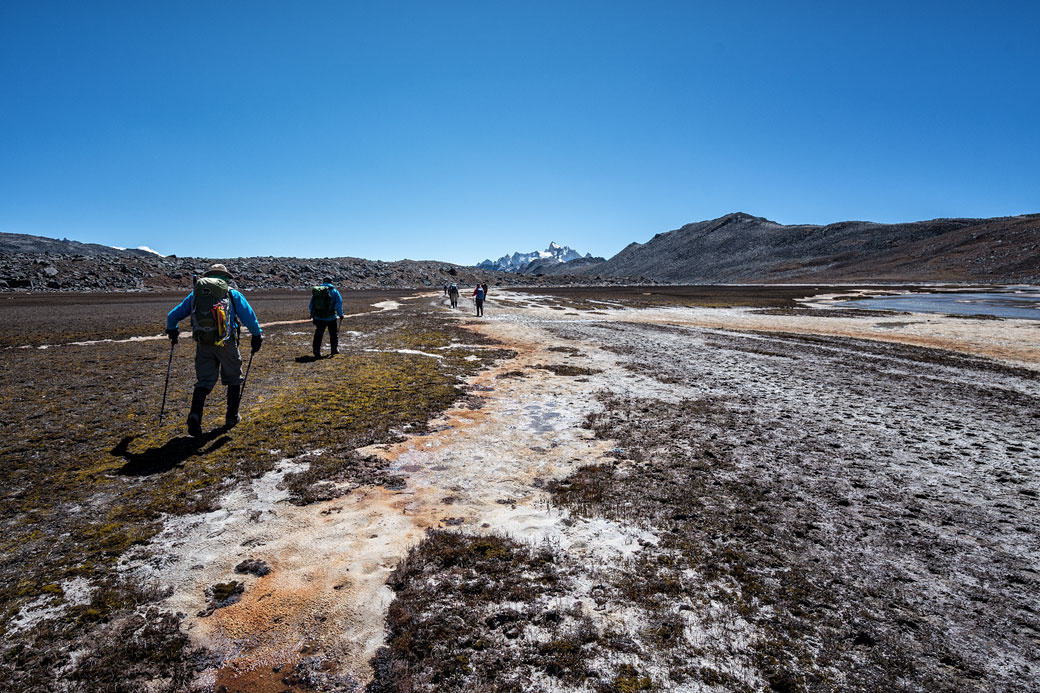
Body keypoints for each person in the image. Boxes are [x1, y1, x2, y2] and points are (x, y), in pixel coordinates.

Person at [165, 264, 263, 436]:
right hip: (227, 342)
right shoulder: (232, 294)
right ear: (226, 277)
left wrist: (172, 330)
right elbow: (249, 317)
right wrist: (257, 335)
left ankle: (195, 414)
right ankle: (231, 417)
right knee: (233, 378)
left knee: (204, 381)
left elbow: (172, 316)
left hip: (204, 343)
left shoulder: (196, 294)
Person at [310, 277, 344, 358]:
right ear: (331, 282)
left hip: (319, 317)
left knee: (318, 334)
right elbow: (338, 304)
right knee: (333, 334)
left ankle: (316, 350)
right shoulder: (335, 291)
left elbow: (311, 304)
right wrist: (341, 314)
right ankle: (334, 349)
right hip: (331, 317)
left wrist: (312, 314)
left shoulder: (317, 291)